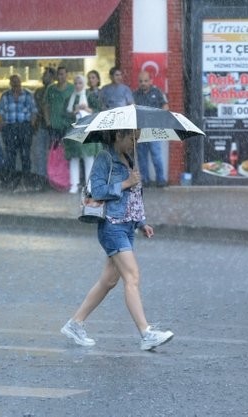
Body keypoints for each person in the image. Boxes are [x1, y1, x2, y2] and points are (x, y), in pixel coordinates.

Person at [61, 129, 174, 351]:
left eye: (137, 138)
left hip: (128, 225)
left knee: (109, 281)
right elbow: (97, 190)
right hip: (112, 225)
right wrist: (125, 183)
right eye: (131, 137)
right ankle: (146, 333)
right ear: (117, 136)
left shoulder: (130, 158)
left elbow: (134, 196)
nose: (135, 142)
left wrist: (142, 223)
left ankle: (75, 324)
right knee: (132, 276)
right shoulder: (105, 158)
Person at [65, 74, 101, 194]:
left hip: (88, 130)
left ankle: (89, 185)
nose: (78, 86)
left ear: (84, 84)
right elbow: (65, 115)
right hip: (75, 131)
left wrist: (87, 110)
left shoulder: (90, 96)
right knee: (74, 158)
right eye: (75, 83)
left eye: (80, 83)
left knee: (88, 157)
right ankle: (74, 184)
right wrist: (74, 112)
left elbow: (98, 111)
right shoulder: (70, 98)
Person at [133, 70, 169, 187]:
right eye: (141, 81)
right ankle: (145, 180)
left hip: (154, 129)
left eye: (146, 81)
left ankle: (161, 180)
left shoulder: (157, 92)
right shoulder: (135, 94)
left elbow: (165, 106)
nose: (143, 83)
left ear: (151, 81)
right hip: (140, 130)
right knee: (142, 157)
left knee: (156, 155)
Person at [0, 74, 36, 175]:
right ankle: (11, 178)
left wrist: (31, 126)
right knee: (10, 154)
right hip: (10, 127)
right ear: (10, 83)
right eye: (13, 81)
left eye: (17, 81)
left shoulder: (28, 94)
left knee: (25, 154)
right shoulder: (5, 95)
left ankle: (26, 177)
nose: (15, 83)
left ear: (20, 82)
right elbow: (1, 112)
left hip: (24, 126)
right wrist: (2, 125)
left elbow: (33, 111)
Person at [44, 66, 75, 188]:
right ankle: (56, 179)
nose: (60, 76)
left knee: (69, 153)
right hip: (55, 126)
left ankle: (70, 180)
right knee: (55, 154)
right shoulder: (51, 89)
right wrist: (48, 122)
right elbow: (46, 106)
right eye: (59, 74)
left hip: (69, 126)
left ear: (67, 75)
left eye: (63, 74)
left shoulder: (72, 88)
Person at [32, 67, 56, 178]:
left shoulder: (56, 90)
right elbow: (34, 109)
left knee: (54, 153)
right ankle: (42, 177)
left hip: (55, 126)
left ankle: (54, 176)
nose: (42, 77)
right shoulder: (38, 91)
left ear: (52, 77)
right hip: (41, 125)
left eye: (45, 75)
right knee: (40, 152)